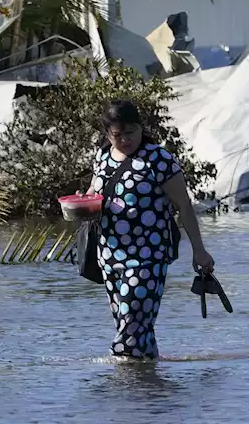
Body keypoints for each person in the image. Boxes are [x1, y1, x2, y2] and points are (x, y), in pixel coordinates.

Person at [88, 97, 214, 360]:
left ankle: (121, 388)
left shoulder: (159, 159)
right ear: (107, 134)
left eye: (131, 132)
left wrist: (199, 251)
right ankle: (150, 391)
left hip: (148, 256)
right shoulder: (101, 157)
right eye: (117, 135)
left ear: (141, 127)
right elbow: (93, 194)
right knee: (135, 328)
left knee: (130, 328)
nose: (125, 140)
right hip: (109, 257)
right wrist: (82, 201)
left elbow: (184, 207)